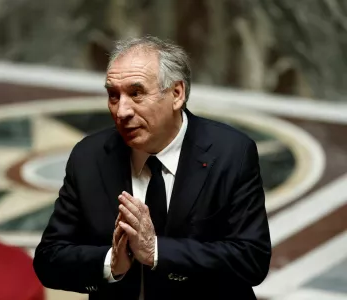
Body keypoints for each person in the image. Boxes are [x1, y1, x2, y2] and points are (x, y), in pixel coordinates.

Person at [33, 36, 271, 300]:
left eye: (136, 93)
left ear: (177, 94)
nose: (121, 111)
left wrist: (157, 251)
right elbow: (49, 259)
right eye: (113, 95)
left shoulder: (231, 153)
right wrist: (110, 263)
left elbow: (251, 260)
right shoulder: (89, 157)